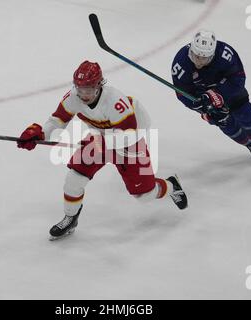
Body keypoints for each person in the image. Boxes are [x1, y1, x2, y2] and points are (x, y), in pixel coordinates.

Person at [18, 60, 188, 240]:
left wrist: (96, 144)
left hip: (131, 141)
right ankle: (70, 218)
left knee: (144, 195)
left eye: (88, 89)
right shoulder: (73, 97)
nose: (83, 94)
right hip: (102, 137)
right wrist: (40, 133)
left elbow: (128, 136)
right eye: (80, 88)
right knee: (74, 178)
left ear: (99, 85)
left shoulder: (116, 102)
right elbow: (57, 120)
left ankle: (172, 185)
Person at [171, 30, 251, 167]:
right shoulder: (181, 62)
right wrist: (198, 104)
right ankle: (249, 144)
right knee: (226, 124)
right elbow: (182, 93)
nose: (198, 62)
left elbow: (238, 78)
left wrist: (217, 95)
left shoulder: (225, 54)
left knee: (248, 116)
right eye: (196, 56)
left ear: (212, 55)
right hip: (205, 99)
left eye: (204, 58)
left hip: (230, 92)